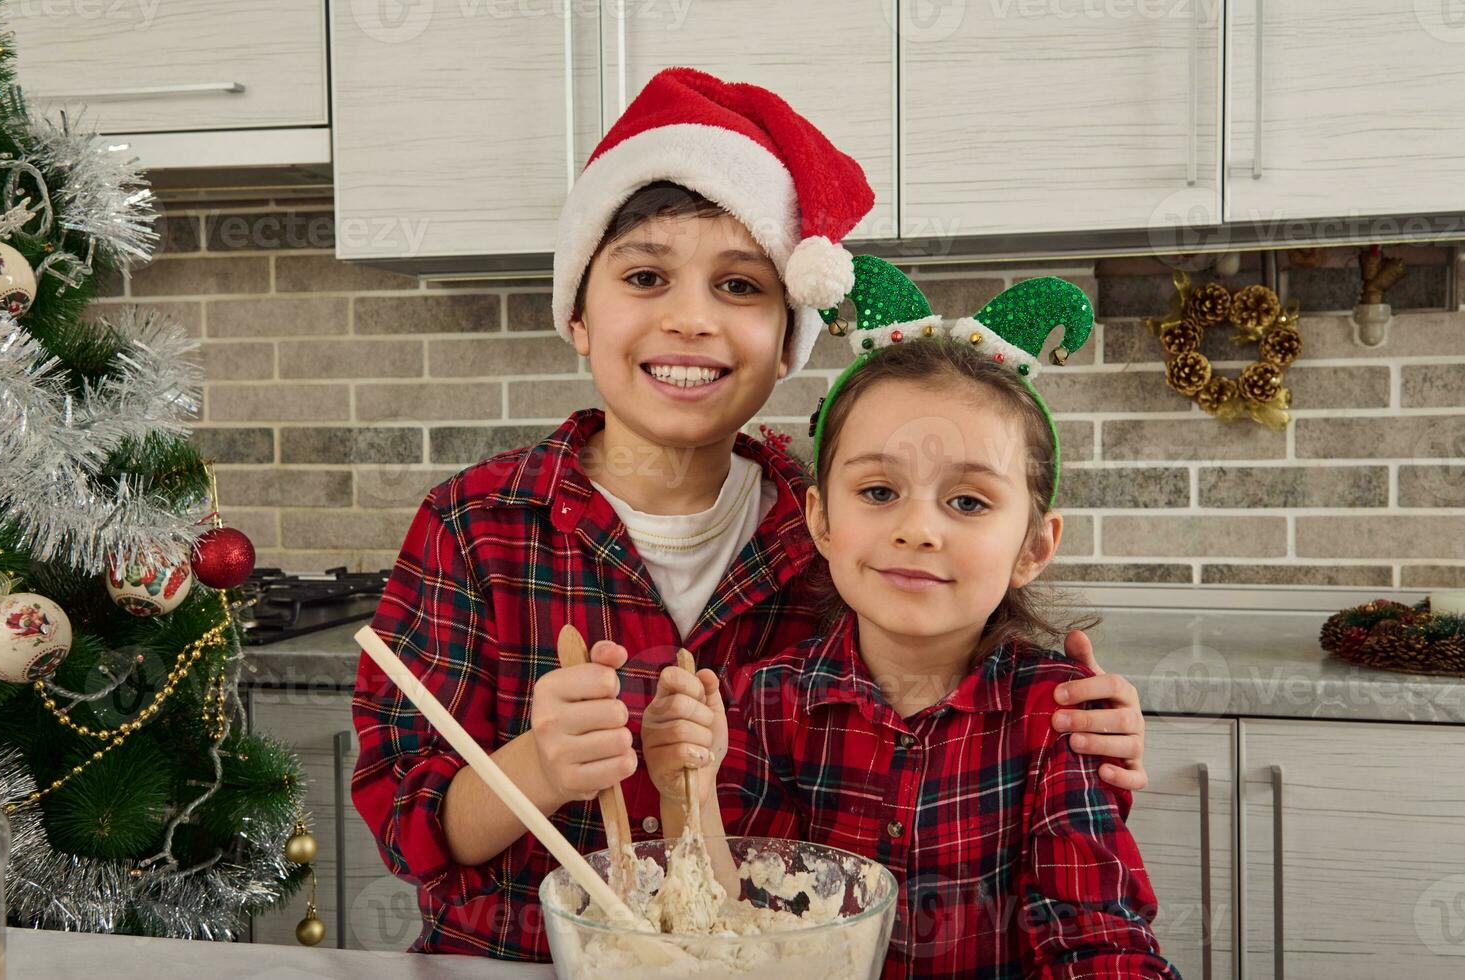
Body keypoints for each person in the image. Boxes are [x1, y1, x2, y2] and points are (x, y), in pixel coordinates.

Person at [351, 67, 1149, 961]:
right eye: (646, 276)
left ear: (787, 341)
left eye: (739, 287)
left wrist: (1070, 727)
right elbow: (407, 833)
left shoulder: (847, 528)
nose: (691, 319)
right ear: (578, 313)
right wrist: (537, 763)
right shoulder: (475, 524)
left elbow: (937, 692)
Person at [642, 258, 1178, 978]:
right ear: (821, 521)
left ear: (1032, 547)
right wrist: (690, 792)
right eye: (877, 490)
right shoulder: (758, 703)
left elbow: (1094, 939)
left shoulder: (1059, 719)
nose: (918, 529)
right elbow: (734, 931)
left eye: (967, 502)